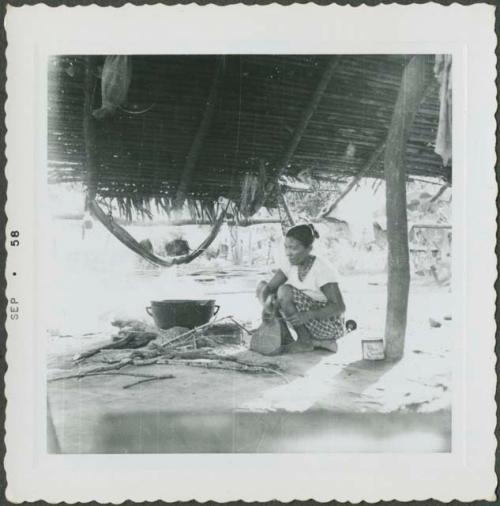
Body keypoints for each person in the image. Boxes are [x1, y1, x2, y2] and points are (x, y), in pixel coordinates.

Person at [256, 224, 346, 353]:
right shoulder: (290, 263)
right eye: (286, 247)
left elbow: (339, 307)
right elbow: (269, 288)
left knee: (284, 291)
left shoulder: (322, 268)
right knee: (261, 287)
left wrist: (309, 315)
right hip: (305, 321)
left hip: (328, 325)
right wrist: (267, 305)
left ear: (309, 248)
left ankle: (305, 342)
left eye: (293, 248)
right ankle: (285, 337)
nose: (288, 253)